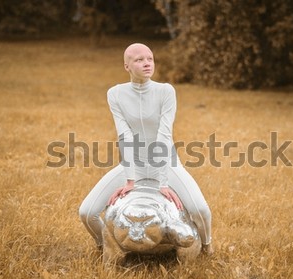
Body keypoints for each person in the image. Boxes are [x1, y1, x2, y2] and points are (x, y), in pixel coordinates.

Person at [79, 43, 213, 254]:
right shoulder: (115, 94)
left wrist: (163, 182)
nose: (147, 63)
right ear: (127, 66)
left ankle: (206, 246)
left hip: (167, 165)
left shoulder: (165, 91)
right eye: (139, 60)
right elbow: (125, 136)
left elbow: (164, 134)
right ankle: (107, 245)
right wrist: (130, 179)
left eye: (150, 59)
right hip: (133, 165)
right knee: (86, 212)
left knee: (200, 209)